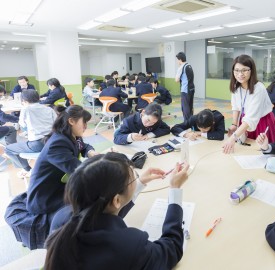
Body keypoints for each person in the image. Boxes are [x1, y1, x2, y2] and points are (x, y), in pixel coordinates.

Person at [44, 153, 189, 270]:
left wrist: (140, 183)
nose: (136, 178)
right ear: (116, 200)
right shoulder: (129, 245)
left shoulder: (61, 218)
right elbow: (172, 248)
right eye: (133, 178)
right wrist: (175, 189)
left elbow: (106, 211)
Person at [4, 105, 98, 249]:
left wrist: (91, 152)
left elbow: (83, 146)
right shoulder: (58, 143)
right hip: (46, 197)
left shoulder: (69, 136)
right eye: (83, 122)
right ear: (71, 121)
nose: (86, 126)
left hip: (58, 186)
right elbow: (79, 171)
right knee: (91, 198)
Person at [223, 54, 275, 154]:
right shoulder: (236, 86)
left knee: (262, 153)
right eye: (237, 70)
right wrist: (234, 124)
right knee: (245, 152)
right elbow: (235, 106)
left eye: (244, 70)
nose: (240, 74)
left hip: (262, 121)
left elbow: (251, 118)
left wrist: (233, 138)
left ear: (251, 70)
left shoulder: (258, 88)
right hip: (245, 121)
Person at [5, 90, 57, 178]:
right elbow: (56, 124)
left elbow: (22, 125)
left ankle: (27, 169)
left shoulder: (26, 109)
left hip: (37, 144)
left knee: (9, 149)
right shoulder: (49, 109)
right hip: (53, 141)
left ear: (24, 101)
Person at [175, 52, 195, 121]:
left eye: (177, 60)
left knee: (185, 107)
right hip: (191, 89)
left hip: (185, 90)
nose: (177, 61)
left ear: (180, 59)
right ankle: (191, 121)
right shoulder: (189, 65)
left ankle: (187, 123)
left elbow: (176, 80)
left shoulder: (181, 67)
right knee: (190, 106)